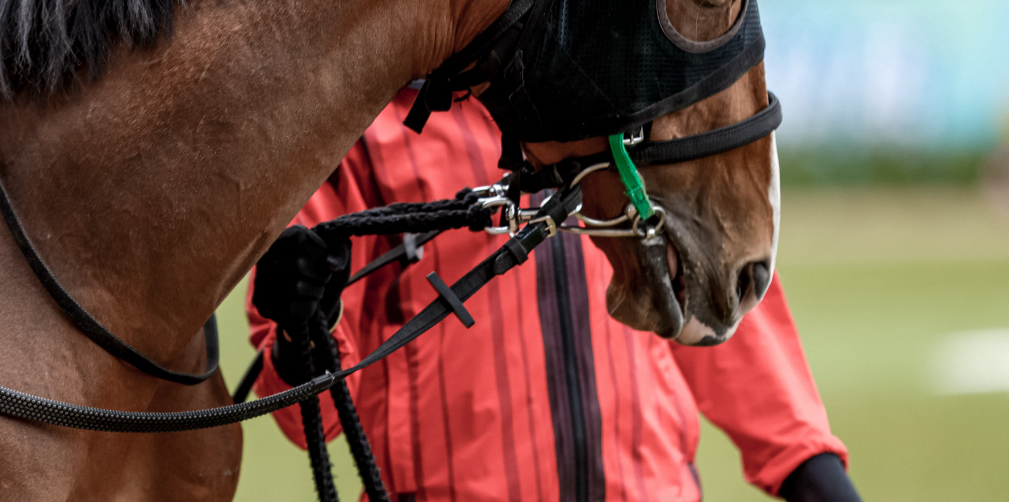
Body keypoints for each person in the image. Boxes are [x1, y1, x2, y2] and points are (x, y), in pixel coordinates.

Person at [247, 88, 861, 502]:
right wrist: (303, 325)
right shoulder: (345, 119)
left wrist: (807, 464)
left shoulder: (611, 83)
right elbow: (312, 419)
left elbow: (706, 282)